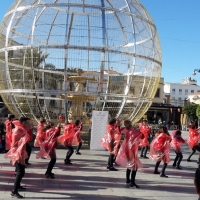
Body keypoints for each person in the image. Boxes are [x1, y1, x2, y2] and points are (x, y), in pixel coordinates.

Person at [4, 117, 32, 198]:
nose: (30, 124)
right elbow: (18, 144)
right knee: (20, 172)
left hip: (20, 153)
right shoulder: (19, 130)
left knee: (20, 171)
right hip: (17, 153)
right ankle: (14, 191)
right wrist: (20, 156)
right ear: (23, 123)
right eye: (28, 123)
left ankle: (17, 187)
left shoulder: (21, 129)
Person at [116, 120, 143, 188]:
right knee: (134, 167)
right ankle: (132, 182)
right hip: (131, 150)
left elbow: (119, 131)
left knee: (129, 165)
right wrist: (137, 130)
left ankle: (128, 180)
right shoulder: (132, 131)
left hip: (127, 150)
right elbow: (141, 135)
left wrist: (118, 125)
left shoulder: (127, 131)